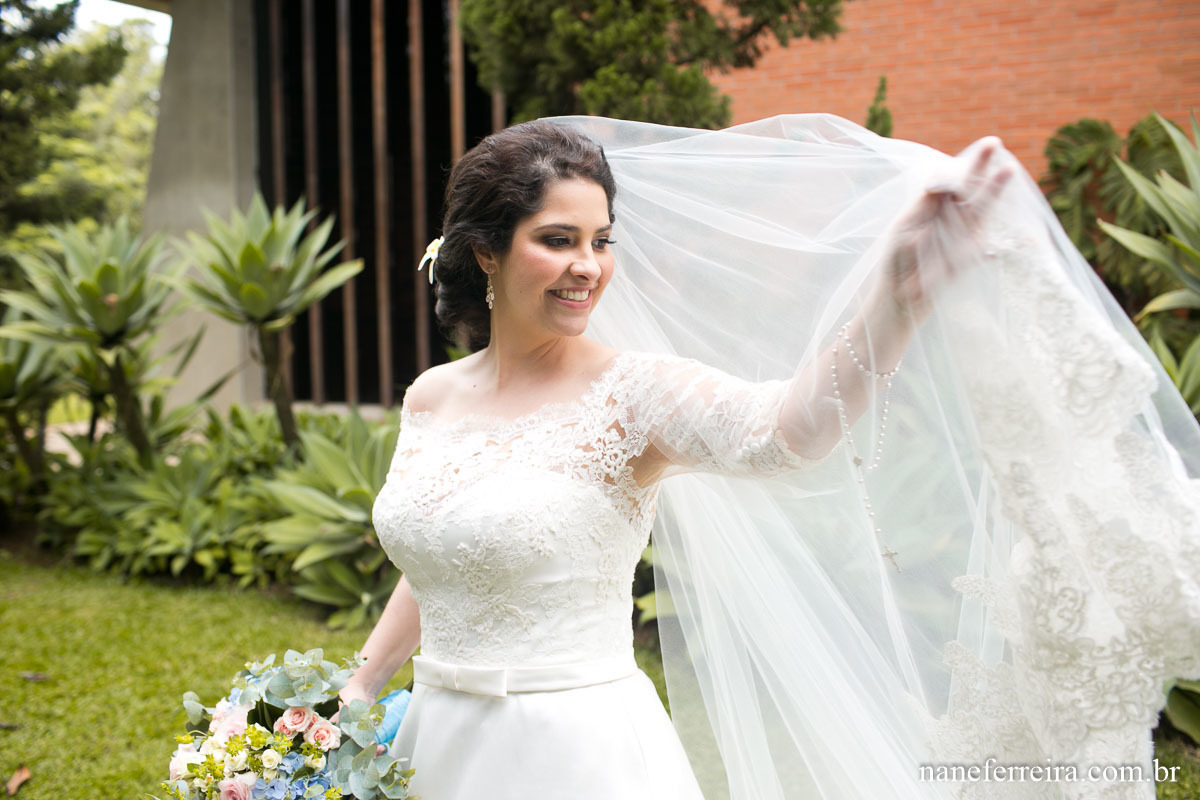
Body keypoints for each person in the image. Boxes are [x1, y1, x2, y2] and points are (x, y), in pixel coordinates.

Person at [345, 116, 1200, 799]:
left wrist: (896, 296)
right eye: (558, 239)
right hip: (432, 746)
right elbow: (450, 556)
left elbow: (789, 429)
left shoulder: (634, 395)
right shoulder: (433, 397)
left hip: (572, 756)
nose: (588, 267)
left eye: (601, 241)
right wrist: (355, 690)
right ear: (487, 251)